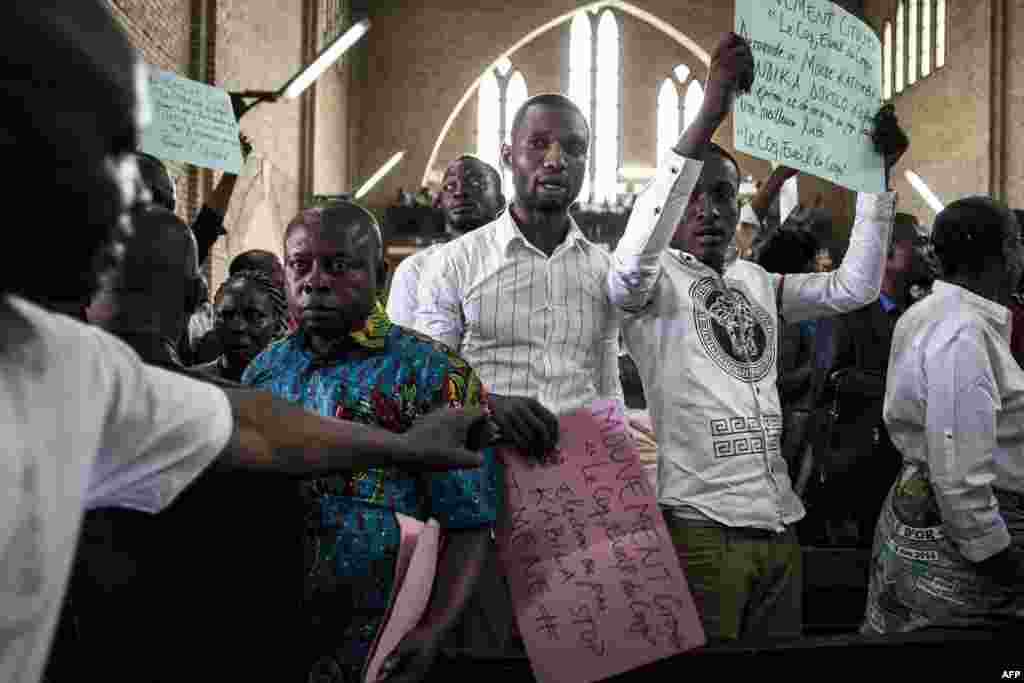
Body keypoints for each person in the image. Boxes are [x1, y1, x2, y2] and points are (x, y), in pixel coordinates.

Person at [0, 6, 483, 682]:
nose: (133, 204)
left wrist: (412, 447)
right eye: (108, 154)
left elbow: (253, 424)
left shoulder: (65, 367)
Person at [606, 32, 905, 642]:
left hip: (777, 523)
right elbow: (635, 256)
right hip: (699, 526)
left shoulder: (755, 281)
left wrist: (875, 180)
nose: (709, 210)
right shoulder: (648, 283)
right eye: (691, 196)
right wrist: (712, 106)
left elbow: (853, 289)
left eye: (722, 195)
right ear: (670, 204)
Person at [242, 201, 499, 683]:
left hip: (385, 631)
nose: (315, 280)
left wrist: (433, 629)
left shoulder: (436, 373)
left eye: (338, 266)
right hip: (279, 626)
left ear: (379, 274)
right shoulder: (264, 372)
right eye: (301, 265)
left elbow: (470, 522)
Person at [862, 197, 1024, 635]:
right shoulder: (963, 334)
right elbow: (958, 474)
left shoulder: (930, 312)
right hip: (962, 537)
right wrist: (997, 558)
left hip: (924, 505)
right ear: (1006, 253)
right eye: (1017, 240)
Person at [803, 215, 927, 546]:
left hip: (899, 464)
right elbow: (827, 381)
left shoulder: (914, 311)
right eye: (915, 242)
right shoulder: (847, 311)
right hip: (856, 462)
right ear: (886, 254)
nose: (925, 249)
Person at [387, 155, 505, 328]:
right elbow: (399, 348)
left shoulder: (520, 266)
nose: (460, 192)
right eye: (450, 187)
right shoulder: (415, 270)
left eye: (475, 184)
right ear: (438, 202)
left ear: (500, 202)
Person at [193, 269, 288, 381]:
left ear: (277, 326)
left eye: (253, 316)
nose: (237, 327)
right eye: (226, 315)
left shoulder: (297, 387)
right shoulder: (191, 382)